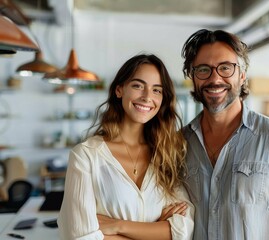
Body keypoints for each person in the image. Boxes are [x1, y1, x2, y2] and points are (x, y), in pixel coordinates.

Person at [180, 29, 269, 239]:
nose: (215, 78)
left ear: (242, 74)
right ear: (193, 76)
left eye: (226, 68)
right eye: (203, 69)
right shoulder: (178, 144)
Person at [58, 54, 194, 240]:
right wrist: (155, 231)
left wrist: (117, 226)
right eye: (138, 86)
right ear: (119, 90)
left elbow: (184, 229)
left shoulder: (169, 152)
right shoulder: (86, 156)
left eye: (157, 90)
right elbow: (81, 236)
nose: (147, 97)